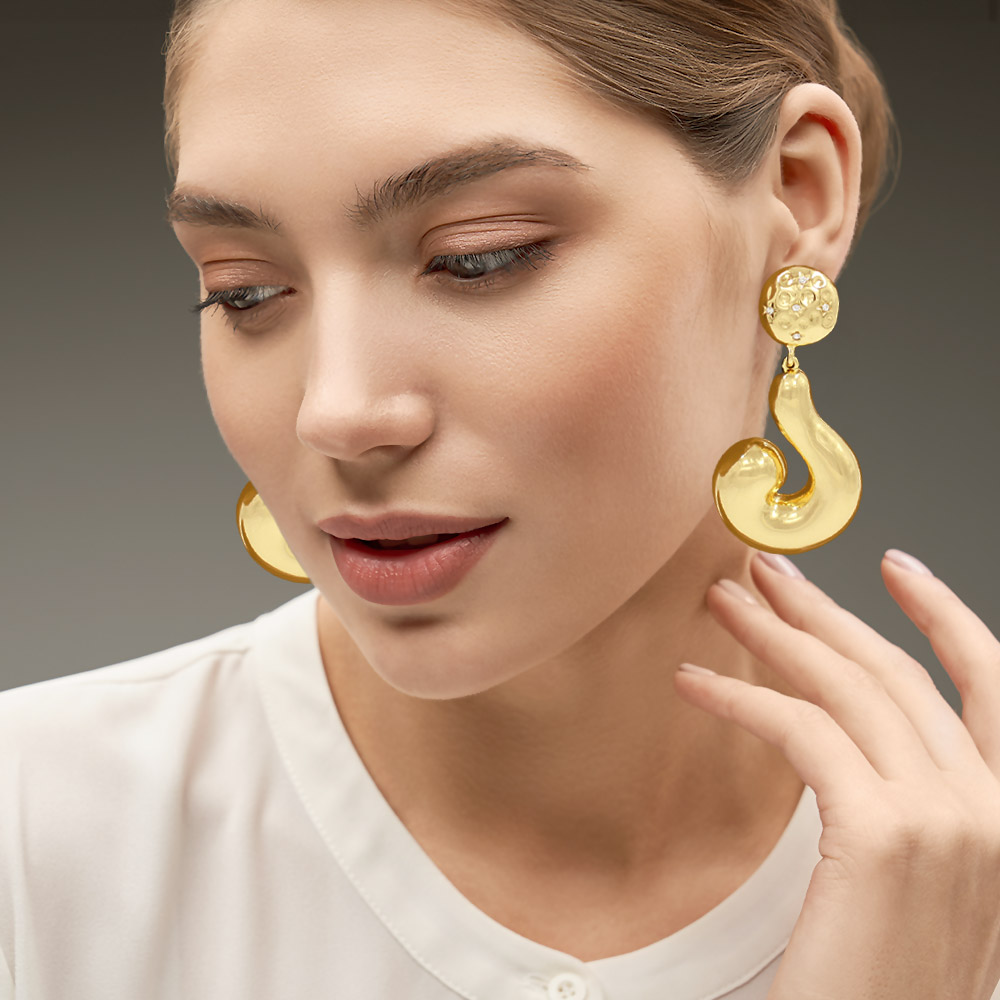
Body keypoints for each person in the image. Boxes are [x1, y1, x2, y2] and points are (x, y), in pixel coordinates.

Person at [1, 0, 998, 997]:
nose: (336, 412)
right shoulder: (34, 833)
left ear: (798, 191)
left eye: (478, 256)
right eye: (243, 289)